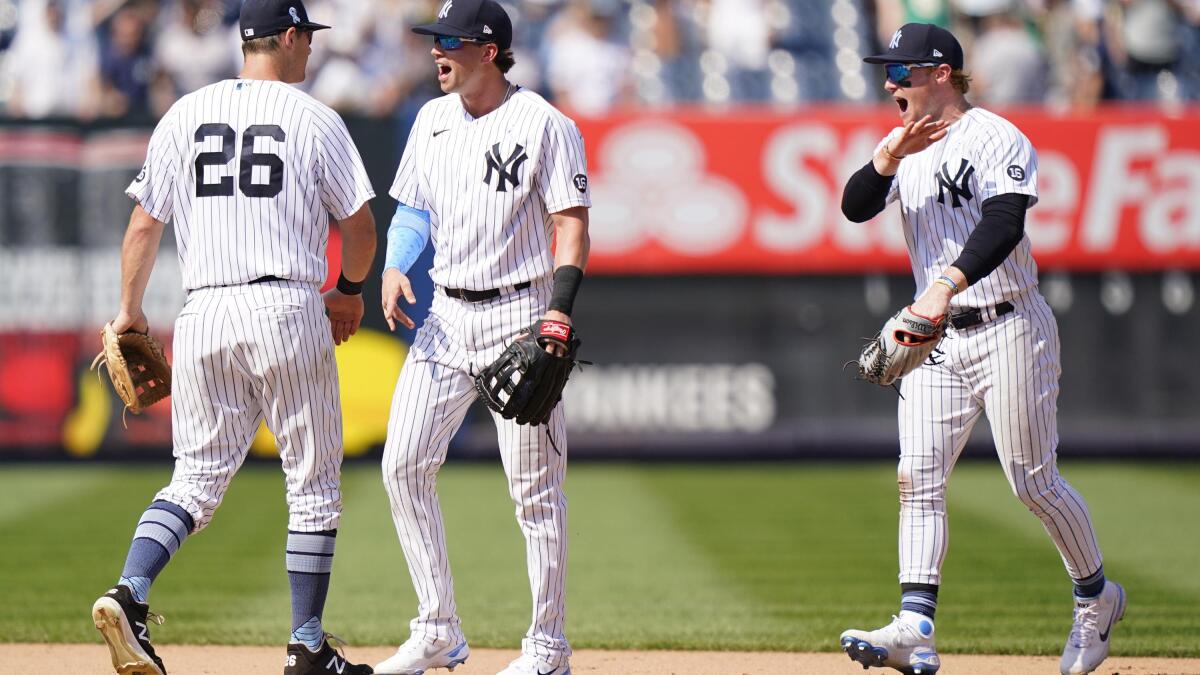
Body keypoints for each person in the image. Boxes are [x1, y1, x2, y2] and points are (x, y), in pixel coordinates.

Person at [89, 2, 376, 674]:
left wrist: (129, 312)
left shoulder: (184, 113)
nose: (311, 50)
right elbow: (360, 227)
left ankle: (129, 592)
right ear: (290, 36)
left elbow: (141, 228)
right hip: (286, 306)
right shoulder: (314, 117)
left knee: (194, 479)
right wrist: (350, 291)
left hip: (206, 312)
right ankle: (306, 643)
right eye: (307, 37)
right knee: (312, 487)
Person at [837, 23, 1124, 675]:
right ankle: (914, 623)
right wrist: (887, 156)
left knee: (1033, 482)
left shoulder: (996, 136)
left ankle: (1096, 597)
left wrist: (941, 286)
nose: (891, 82)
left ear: (941, 74)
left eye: (903, 71)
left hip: (1008, 323)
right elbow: (855, 206)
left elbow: (1005, 220)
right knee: (918, 476)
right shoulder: (902, 144)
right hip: (935, 339)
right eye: (890, 71)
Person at [371, 1, 591, 674]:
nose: (437, 51)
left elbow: (572, 224)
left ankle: (548, 646)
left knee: (533, 490)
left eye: (451, 42)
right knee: (402, 465)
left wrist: (557, 312)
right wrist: (393, 263)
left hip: (517, 314)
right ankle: (437, 627)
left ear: (488, 51)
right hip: (445, 320)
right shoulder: (431, 118)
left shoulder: (546, 124)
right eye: (434, 40)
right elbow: (414, 205)